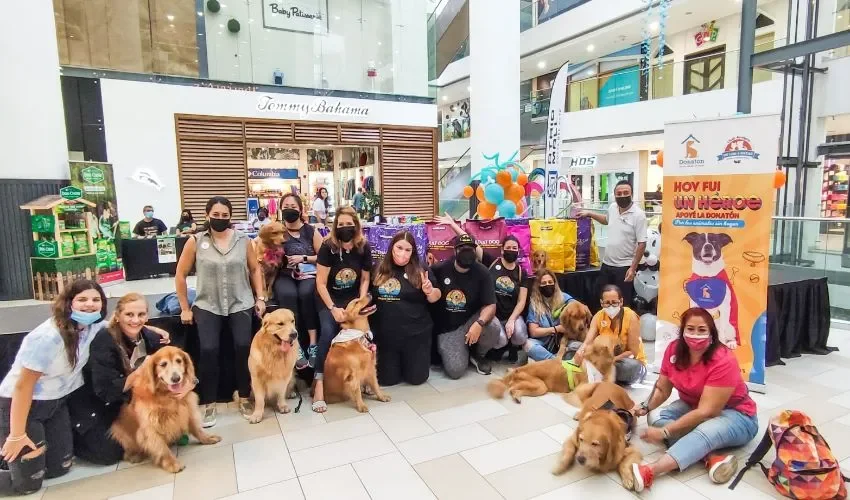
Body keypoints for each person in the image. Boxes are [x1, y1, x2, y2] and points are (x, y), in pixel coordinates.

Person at [631, 308, 758, 492]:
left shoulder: (723, 359)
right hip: (694, 406)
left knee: (702, 429)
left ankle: (651, 471)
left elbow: (707, 411)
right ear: (682, 330)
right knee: (655, 416)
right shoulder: (674, 350)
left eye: (701, 330)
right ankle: (711, 457)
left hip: (738, 415)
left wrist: (666, 432)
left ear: (711, 333)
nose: (695, 335)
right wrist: (644, 407)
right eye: (690, 329)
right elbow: (662, 388)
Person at [0, 280, 108, 495]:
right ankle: (7, 443)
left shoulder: (91, 326)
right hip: (22, 406)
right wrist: (17, 434)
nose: (90, 305)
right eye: (82, 300)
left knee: (59, 469)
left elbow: (117, 323)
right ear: (69, 303)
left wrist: (152, 329)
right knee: (27, 484)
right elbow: (22, 387)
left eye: (96, 300)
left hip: (55, 404)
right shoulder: (48, 337)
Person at [175, 196, 266, 427]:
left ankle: (244, 397)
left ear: (230, 216)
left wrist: (261, 297)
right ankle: (208, 403)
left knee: (243, 348)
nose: (220, 219)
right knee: (208, 350)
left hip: (240, 302)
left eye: (225, 215)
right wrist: (185, 307)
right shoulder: (195, 241)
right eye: (216, 215)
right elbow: (180, 275)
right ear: (207, 215)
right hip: (208, 304)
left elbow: (255, 269)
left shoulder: (243, 240)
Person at [67, 293, 176, 465]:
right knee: (109, 454)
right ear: (118, 316)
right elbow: (105, 391)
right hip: (101, 404)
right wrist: (139, 373)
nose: (135, 320)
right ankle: (71, 439)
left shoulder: (150, 338)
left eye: (141, 315)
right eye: (129, 315)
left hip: (132, 403)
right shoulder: (104, 341)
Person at [314, 207, 372, 412]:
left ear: (356, 226)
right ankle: (319, 383)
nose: (345, 228)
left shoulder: (363, 247)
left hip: (352, 298)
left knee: (365, 334)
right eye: (341, 225)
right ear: (335, 227)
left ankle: (365, 379)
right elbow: (320, 283)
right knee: (329, 332)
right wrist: (333, 309)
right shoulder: (328, 247)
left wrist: (360, 299)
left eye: (349, 224)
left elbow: (365, 278)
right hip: (328, 299)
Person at [372, 231, 441, 386]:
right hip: (386, 336)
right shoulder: (378, 267)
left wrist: (429, 291)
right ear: (391, 247)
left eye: (407, 250)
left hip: (415, 335)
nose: (402, 253)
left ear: (413, 252)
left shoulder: (420, 268)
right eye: (399, 247)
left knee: (417, 379)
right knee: (387, 380)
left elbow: (436, 297)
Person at [432, 234, 501, 378]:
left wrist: (479, 323)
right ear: (454, 250)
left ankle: (478, 354)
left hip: (471, 320)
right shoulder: (440, 269)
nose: (467, 251)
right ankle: (462, 350)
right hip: (448, 328)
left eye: (470, 248)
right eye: (462, 248)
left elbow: (491, 305)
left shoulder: (483, 272)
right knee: (455, 371)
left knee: (493, 325)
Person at [578, 180, 647, 306]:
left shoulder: (639, 215)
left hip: (625, 267)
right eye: (619, 193)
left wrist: (633, 268)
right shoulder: (612, 208)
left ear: (631, 194)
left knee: (622, 302)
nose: (622, 196)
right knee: (601, 299)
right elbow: (606, 220)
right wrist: (589, 213)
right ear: (614, 195)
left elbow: (642, 243)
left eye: (626, 193)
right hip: (607, 264)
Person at [274, 193, 322, 369]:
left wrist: (303, 258)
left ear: (301, 210)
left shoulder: (311, 231)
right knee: (287, 294)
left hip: (308, 274)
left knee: (306, 293)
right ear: (280, 209)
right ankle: (296, 345)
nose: (289, 209)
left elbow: (322, 257)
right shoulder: (276, 231)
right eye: (286, 206)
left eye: (293, 207)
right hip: (284, 275)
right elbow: (264, 252)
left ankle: (313, 343)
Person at [575, 285, 647, 385]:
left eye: (614, 303)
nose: (611, 306)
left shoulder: (631, 317)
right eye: (607, 303)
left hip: (627, 361)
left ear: (621, 301)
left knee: (628, 368)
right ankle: (602, 374)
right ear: (601, 303)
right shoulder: (599, 316)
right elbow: (588, 340)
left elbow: (633, 353)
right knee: (575, 346)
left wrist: (609, 361)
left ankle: (596, 373)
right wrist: (580, 351)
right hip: (606, 359)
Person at [489, 236, 529, 363]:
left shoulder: (522, 272)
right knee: (500, 340)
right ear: (502, 250)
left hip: (512, 314)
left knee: (520, 336)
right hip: (494, 314)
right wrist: (452, 224)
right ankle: (500, 348)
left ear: (518, 251)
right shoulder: (492, 263)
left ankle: (513, 346)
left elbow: (522, 301)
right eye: (508, 248)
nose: (511, 250)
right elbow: (474, 245)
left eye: (514, 248)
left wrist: (512, 320)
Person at [523, 269, 578, 362]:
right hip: (543, 342)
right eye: (543, 283)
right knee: (527, 344)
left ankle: (548, 361)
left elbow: (579, 310)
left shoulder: (565, 298)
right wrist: (557, 329)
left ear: (555, 283)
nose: (547, 285)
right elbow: (534, 332)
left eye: (550, 282)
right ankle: (556, 361)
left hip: (565, 340)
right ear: (538, 286)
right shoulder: (534, 304)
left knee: (580, 346)